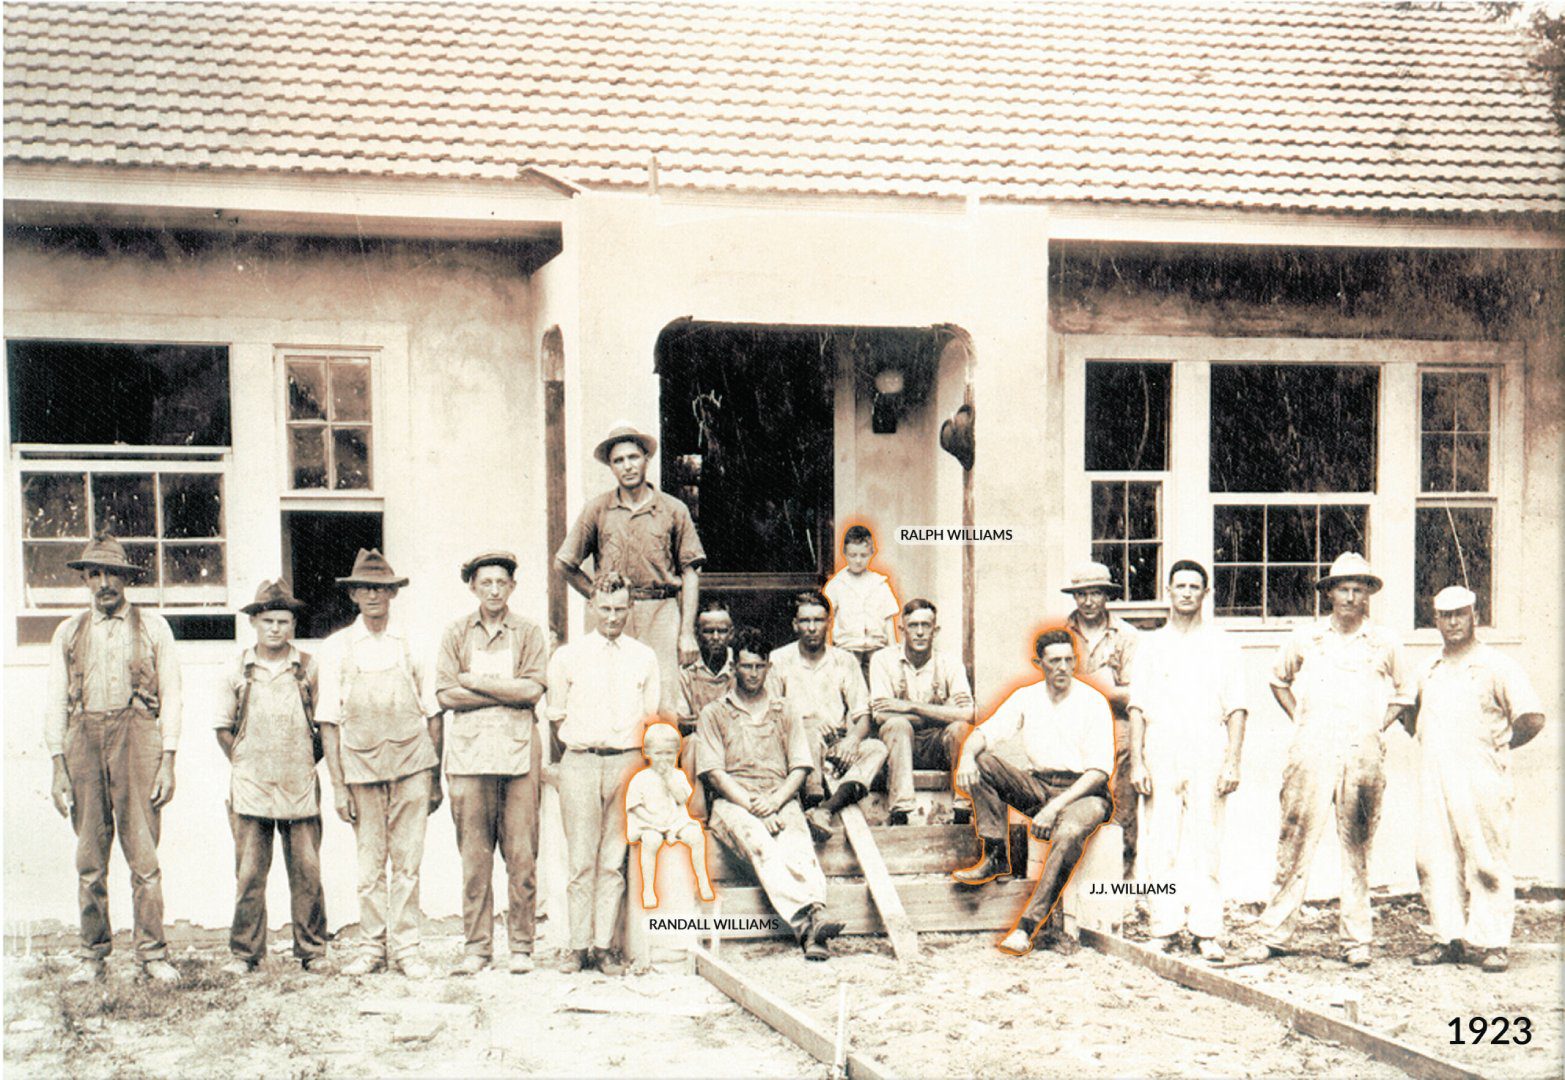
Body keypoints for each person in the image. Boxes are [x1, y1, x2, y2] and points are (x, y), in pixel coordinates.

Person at [1240, 552, 1411, 968]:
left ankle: (1357, 940)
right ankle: (1274, 934)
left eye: (1359, 589)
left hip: (1362, 755)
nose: (1351, 597)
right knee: (1295, 840)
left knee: (1357, 845)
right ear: (1329, 593)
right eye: (1343, 588)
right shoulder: (1306, 639)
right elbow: (1277, 679)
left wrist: (1375, 726)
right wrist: (1301, 718)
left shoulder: (1384, 642)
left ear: (1368, 594)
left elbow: (1405, 694)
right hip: (1311, 752)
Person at [45, 536, 183, 984]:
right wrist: (58, 766)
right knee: (89, 857)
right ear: (85, 580)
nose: (104, 583)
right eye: (94, 575)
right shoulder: (68, 632)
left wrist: (168, 760)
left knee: (144, 856)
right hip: (83, 740)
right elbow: (54, 704)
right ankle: (92, 954)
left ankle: (152, 953)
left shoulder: (152, 628)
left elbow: (174, 696)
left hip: (137, 739)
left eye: (112, 574)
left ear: (126, 578)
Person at [317, 549, 443, 979]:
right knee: (370, 864)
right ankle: (372, 946)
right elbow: (329, 722)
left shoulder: (413, 643)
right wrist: (338, 785)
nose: (373, 595)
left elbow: (433, 713)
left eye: (381, 588)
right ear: (353, 595)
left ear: (392, 593)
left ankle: (407, 947)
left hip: (412, 766)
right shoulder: (336, 649)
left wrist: (434, 777)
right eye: (365, 588)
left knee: (407, 862)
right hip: (361, 771)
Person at [951, 628, 1114, 957]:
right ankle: (997, 854)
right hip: (1039, 785)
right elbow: (986, 732)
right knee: (981, 759)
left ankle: (1027, 925)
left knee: (1068, 833)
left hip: (1085, 793)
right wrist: (966, 757)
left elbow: (1098, 773)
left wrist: (1054, 810)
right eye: (1054, 661)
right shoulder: (1027, 697)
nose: (1062, 668)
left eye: (1069, 660)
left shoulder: (1092, 701)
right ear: (1039, 663)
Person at [1409, 585, 1545, 974]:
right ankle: (1447, 938)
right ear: (1435, 619)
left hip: (1481, 774)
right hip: (1435, 772)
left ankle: (1493, 942)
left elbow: (1531, 718)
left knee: (1486, 857)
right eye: (1444, 615)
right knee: (1433, 856)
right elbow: (1408, 715)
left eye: (1460, 614)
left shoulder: (1497, 665)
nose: (1453, 622)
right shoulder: (1427, 668)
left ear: (1474, 615)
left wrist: (1498, 748)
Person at [697, 628, 845, 960]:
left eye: (759, 667)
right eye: (746, 666)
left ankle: (812, 925)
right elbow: (714, 774)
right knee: (762, 845)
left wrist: (777, 801)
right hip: (733, 803)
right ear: (734, 666)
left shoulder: (785, 710)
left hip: (778, 796)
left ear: (768, 667)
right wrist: (756, 807)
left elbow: (799, 767)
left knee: (797, 844)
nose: (752, 674)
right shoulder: (714, 712)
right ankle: (813, 917)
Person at [435, 550, 549, 976]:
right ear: (473, 587)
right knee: (474, 859)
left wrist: (476, 682)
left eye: (502, 582)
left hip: (519, 755)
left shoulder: (529, 631)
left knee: (521, 856)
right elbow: (446, 695)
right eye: (486, 583)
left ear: (513, 587)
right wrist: (506, 688)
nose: (495, 590)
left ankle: (521, 946)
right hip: (467, 758)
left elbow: (533, 691)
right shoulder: (456, 633)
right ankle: (477, 949)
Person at [1126, 560, 1247, 962]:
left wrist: (1233, 760)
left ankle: (1206, 930)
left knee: (1206, 841)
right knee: (1161, 841)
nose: (1187, 593)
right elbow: (1137, 707)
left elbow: (1237, 708)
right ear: (1169, 591)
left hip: (1207, 746)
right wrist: (1137, 763)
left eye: (1195, 587)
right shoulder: (1151, 645)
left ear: (1205, 594)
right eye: (1180, 586)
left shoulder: (1223, 645)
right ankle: (1164, 926)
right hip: (1162, 746)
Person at [545, 571, 659, 976]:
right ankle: (575, 946)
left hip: (626, 761)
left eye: (620, 609)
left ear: (630, 608)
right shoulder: (567, 656)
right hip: (580, 760)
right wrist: (572, 761)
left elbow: (650, 718)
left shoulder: (644, 657)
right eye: (605, 608)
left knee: (612, 860)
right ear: (592, 606)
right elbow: (555, 716)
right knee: (580, 860)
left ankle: (603, 946)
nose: (612, 617)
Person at [214, 580, 329, 976]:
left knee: (307, 871)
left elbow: (324, 729)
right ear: (254, 623)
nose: (276, 628)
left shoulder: (309, 668)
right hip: (251, 786)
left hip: (298, 783)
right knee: (249, 873)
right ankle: (245, 954)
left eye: (283, 621)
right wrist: (246, 762)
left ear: (293, 624)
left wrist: (302, 762)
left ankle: (312, 951)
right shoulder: (237, 668)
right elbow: (222, 728)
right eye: (268, 621)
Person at [554, 422, 705, 715]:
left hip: (659, 610)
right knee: (608, 694)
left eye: (633, 457)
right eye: (618, 461)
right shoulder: (597, 509)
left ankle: (659, 761)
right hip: (613, 612)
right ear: (611, 467)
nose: (627, 466)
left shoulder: (673, 509)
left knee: (661, 700)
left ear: (646, 459)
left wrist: (687, 632)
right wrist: (598, 596)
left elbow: (690, 571)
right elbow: (565, 563)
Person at [768, 591, 887, 842]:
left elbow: (863, 715)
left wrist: (851, 741)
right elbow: (771, 713)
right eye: (805, 621)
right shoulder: (779, 660)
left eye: (819, 621)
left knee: (876, 748)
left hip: (836, 747)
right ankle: (814, 797)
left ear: (829, 624)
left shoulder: (844, 660)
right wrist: (804, 720)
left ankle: (825, 809)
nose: (812, 628)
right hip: (796, 750)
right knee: (808, 730)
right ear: (795, 624)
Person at [1062, 561, 1139, 879]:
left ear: (1107, 596)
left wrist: (1098, 688)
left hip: (1115, 723)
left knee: (1123, 766)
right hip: (1071, 723)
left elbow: (1134, 694)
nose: (1088, 601)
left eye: (1095, 593)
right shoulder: (1061, 635)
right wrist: (1102, 685)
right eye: (1081, 594)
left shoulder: (1127, 635)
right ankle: (1072, 872)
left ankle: (1122, 872)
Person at [868, 598, 975, 826]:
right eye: (913, 626)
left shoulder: (950, 663)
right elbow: (880, 715)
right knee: (897, 725)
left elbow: (967, 714)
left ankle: (963, 812)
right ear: (901, 629)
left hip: (937, 746)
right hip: (897, 747)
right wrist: (941, 711)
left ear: (934, 630)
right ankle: (901, 812)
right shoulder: (883, 660)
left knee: (961, 730)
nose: (919, 633)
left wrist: (910, 707)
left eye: (925, 626)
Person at [626, 722, 715, 908]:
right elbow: (635, 807)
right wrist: (652, 820)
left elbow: (682, 798)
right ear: (647, 753)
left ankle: (703, 881)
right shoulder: (641, 778)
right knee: (650, 841)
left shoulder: (677, 775)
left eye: (669, 754)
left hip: (675, 820)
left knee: (696, 836)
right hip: (650, 822)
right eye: (659, 753)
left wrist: (669, 779)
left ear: (676, 754)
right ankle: (648, 889)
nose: (664, 759)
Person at [674, 600, 737, 819]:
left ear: (731, 633)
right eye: (709, 631)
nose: (716, 637)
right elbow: (681, 719)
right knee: (691, 743)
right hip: (700, 741)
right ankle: (696, 815)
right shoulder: (685, 670)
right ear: (698, 634)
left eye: (722, 631)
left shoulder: (741, 666)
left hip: (735, 740)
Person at [823, 525, 899, 681]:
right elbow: (826, 620)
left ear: (872, 553)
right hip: (847, 649)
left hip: (877, 649)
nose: (858, 560)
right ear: (844, 553)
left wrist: (892, 654)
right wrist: (827, 651)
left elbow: (888, 621)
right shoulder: (837, 584)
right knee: (850, 689)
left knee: (877, 688)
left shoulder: (880, 584)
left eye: (863, 555)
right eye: (853, 555)